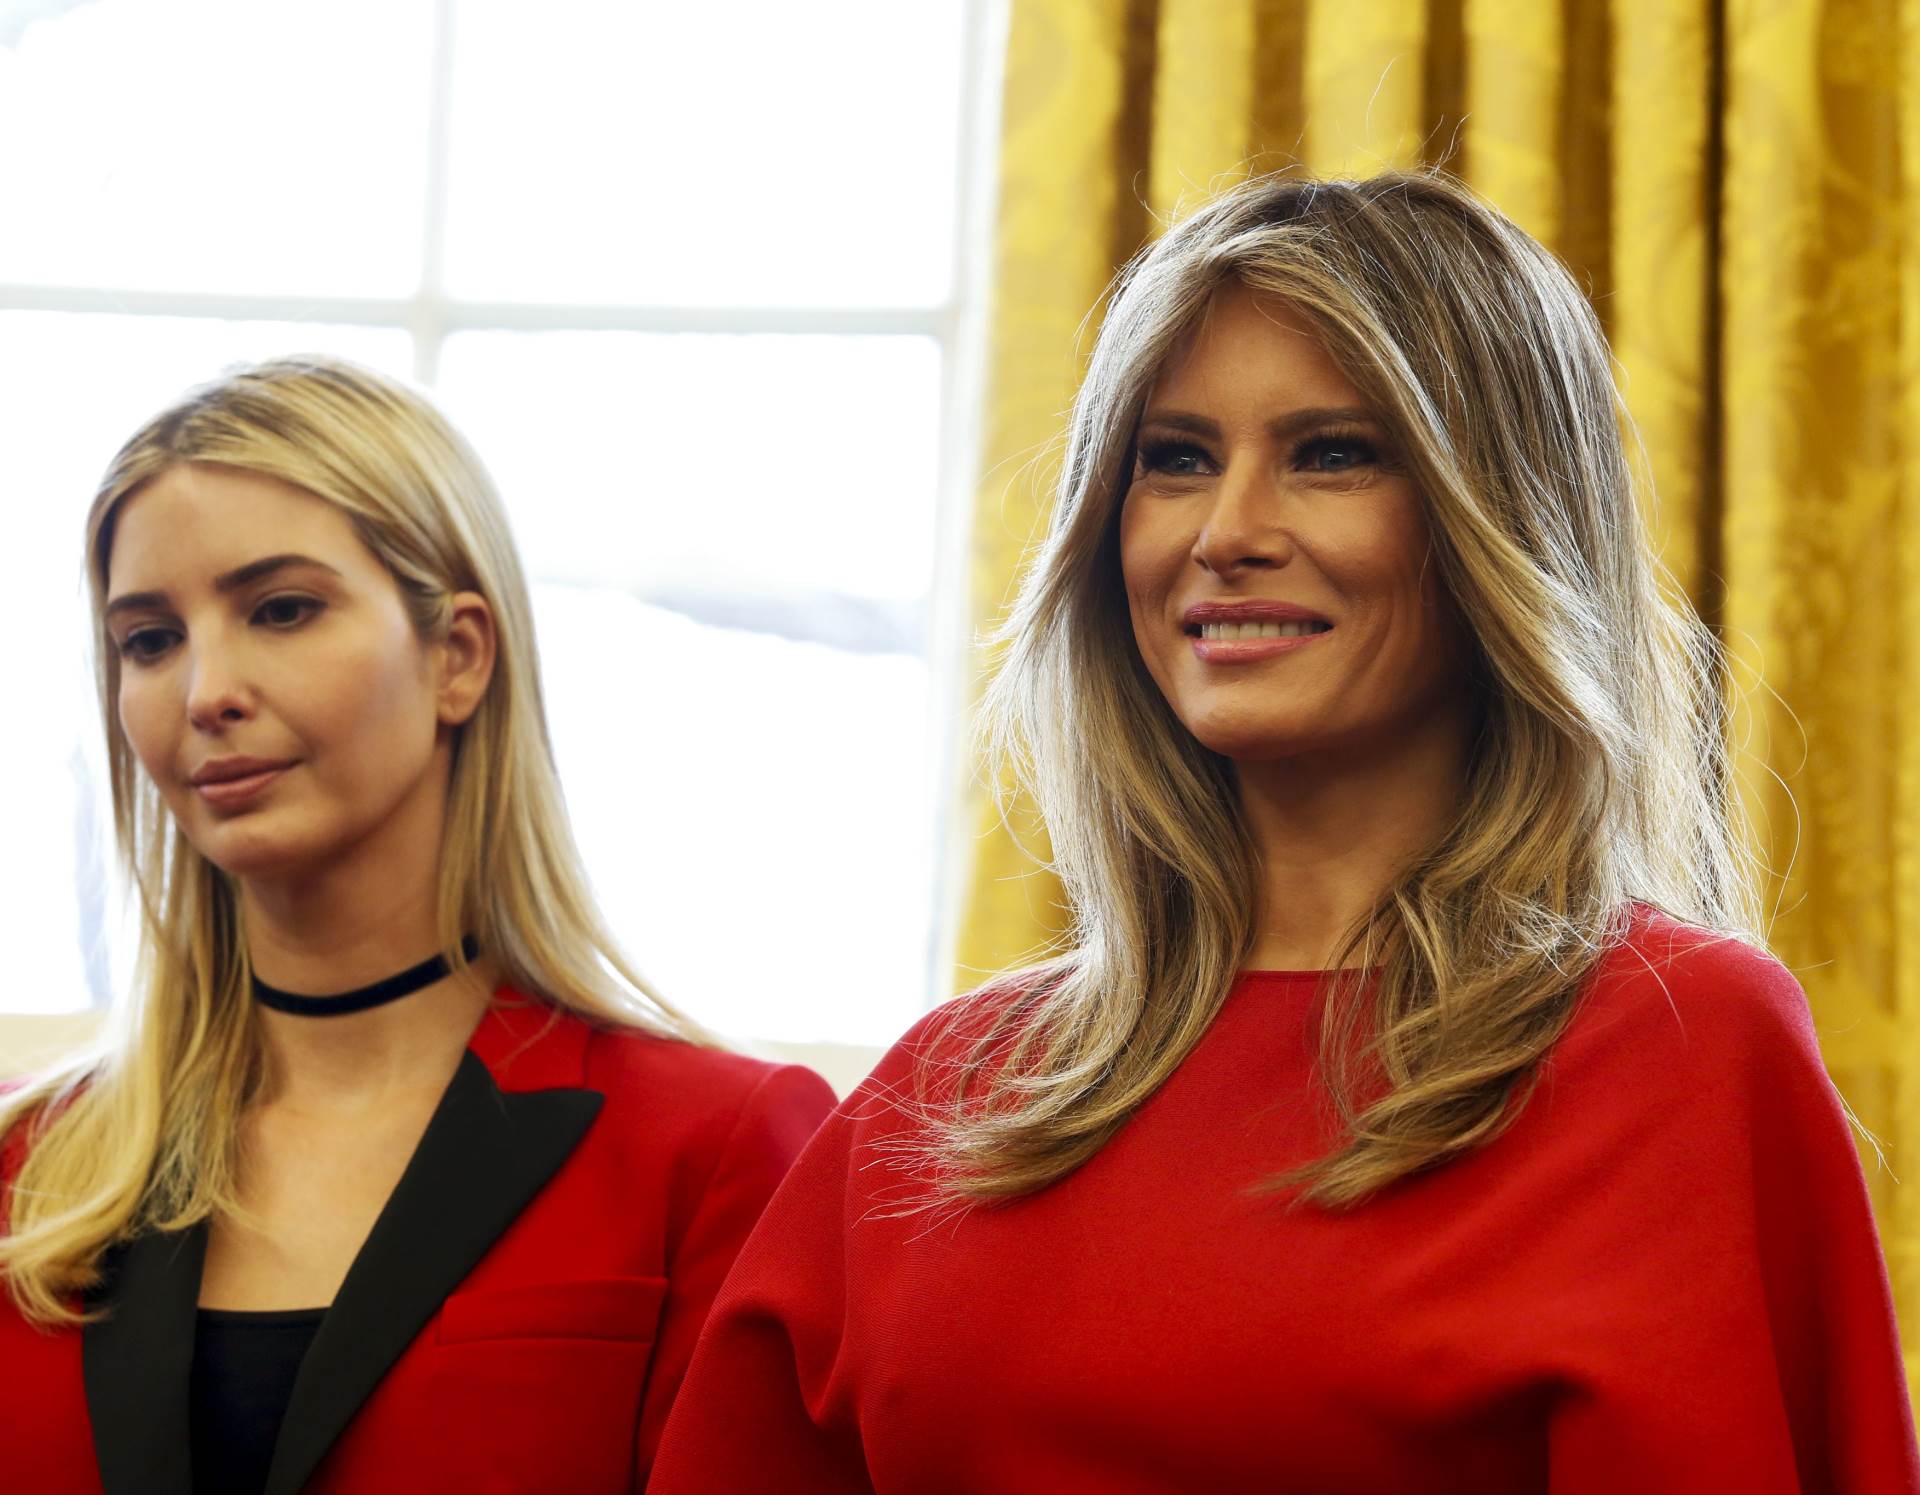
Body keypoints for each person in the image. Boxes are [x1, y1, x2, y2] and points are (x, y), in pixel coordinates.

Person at [648, 172, 1920, 1493]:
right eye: (1176, 458)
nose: (1227, 532)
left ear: (1505, 518)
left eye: (1331, 453)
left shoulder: (1679, 1047)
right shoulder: (949, 1090)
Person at [0, 355, 836, 1494]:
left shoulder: (715, 1150)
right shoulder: (25, 1171)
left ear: (459, 655)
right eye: (149, 638)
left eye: (281, 610)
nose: (204, 691)